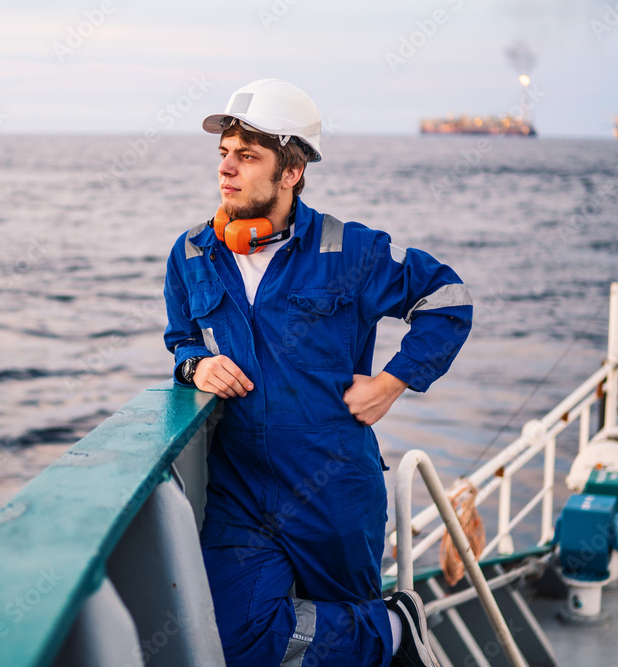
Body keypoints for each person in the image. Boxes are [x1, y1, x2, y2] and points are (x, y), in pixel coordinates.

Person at [163, 79, 472, 667]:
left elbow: (448, 298)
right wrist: (195, 365)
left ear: (291, 171)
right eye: (224, 153)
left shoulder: (348, 251)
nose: (227, 169)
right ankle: (395, 629)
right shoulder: (192, 253)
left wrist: (392, 381)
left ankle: (381, 631)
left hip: (334, 490)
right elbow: (180, 337)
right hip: (241, 493)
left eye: (247, 156)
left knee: (338, 642)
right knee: (232, 637)